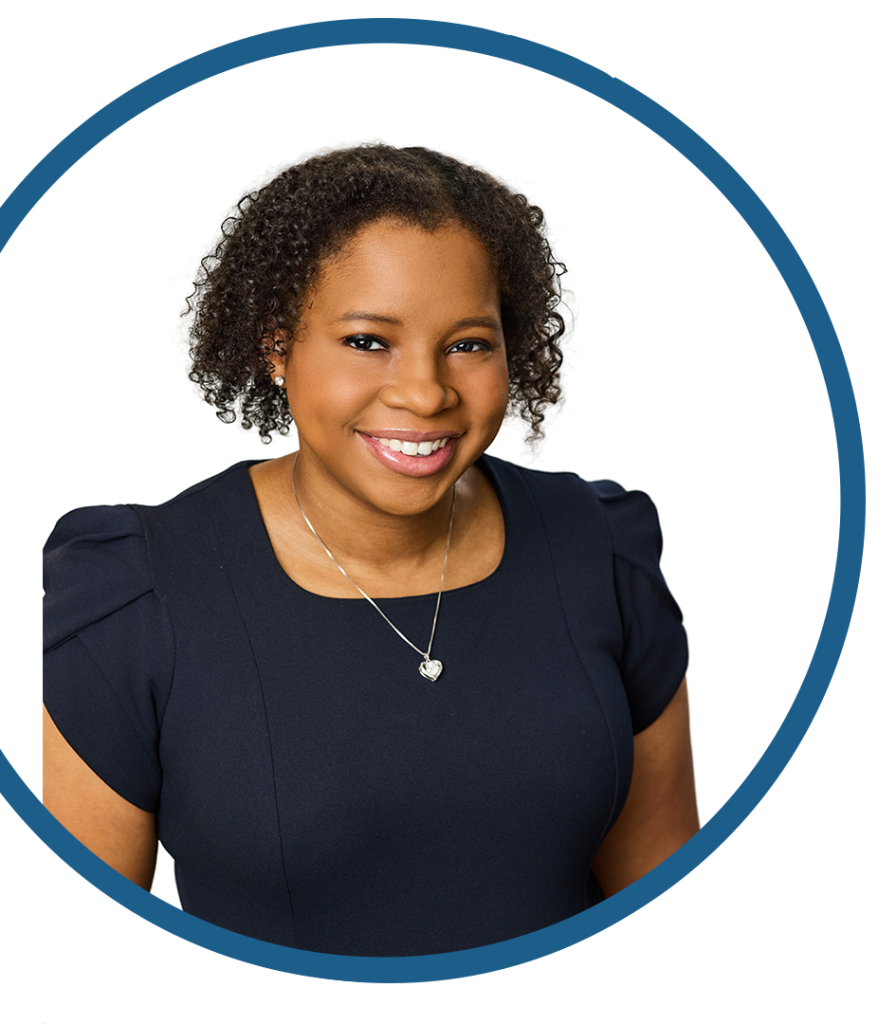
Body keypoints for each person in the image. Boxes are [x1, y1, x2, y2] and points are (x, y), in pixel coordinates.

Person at [43, 144, 699, 957]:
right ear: (278, 346)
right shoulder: (137, 593)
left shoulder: (601, 549)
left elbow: (668, 915)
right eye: (366, 341)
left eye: (468, 343)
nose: (425, 392)